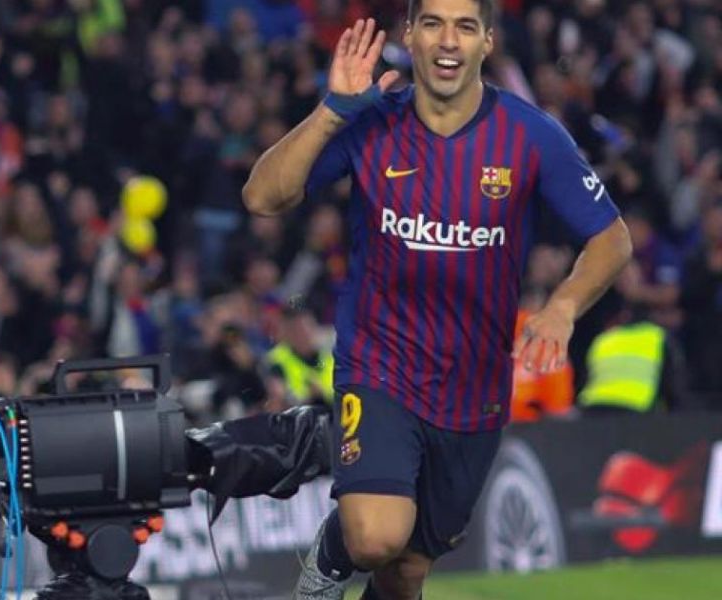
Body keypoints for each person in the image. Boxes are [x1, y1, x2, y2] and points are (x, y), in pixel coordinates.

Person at [242, 2, 633, 599]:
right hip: (380, 367)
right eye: (433, 23)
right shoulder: (371, 122)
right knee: (375, 538)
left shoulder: (531, 136)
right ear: (411, 35)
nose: (448, 41)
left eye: (466, 26)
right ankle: (325, 567)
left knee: (405, 574)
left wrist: (563, 307)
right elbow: (262, 198)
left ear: (487, 42)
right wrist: (332, 110)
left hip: (474, 389)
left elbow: (612, 238)